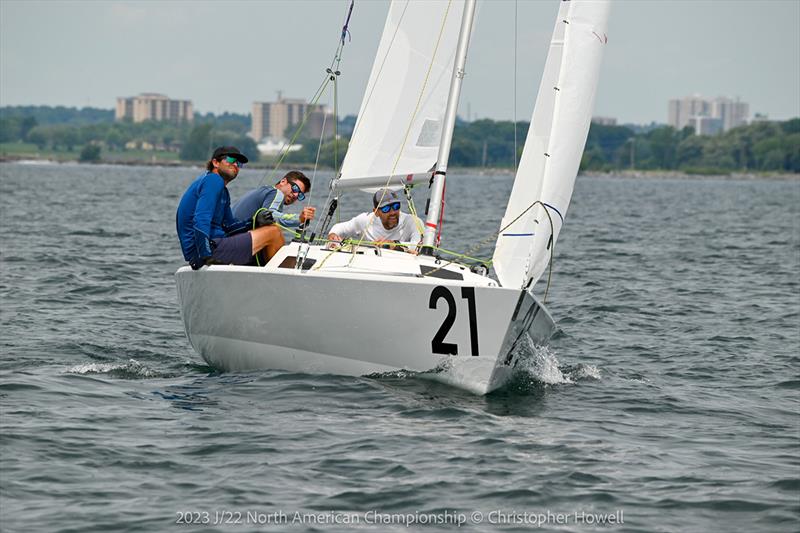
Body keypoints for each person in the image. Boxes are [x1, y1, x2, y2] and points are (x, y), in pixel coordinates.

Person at [176, 146, 284, 269]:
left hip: (214, 245)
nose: (236, 165)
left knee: (269, 230)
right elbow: (201, 219)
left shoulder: (223, 191)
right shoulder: (213, 180)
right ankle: (283, 282)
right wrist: (205, 255)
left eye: (239, 163)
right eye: (231, 160)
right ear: (215, 162)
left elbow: (229, 226)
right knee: (273, 232)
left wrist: (254, 221)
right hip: (206, 250)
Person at [327, 188, 422, 252]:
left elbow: (419, 245)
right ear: (376, 212)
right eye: (386, 209)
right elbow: (339, 228)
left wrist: (394, 245)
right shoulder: (365, 220)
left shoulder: (412, 222)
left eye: (396, 206)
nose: (392, 212)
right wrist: (333, 235)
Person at [232, 171, 316, 230]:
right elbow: (270, 217)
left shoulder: (263, 190)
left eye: (300, 195)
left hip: (228, 236)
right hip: (233, 241)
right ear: (283, 181)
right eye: (295, 188)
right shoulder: (277, 193)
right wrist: (299, 218)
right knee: (274, 231)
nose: (295, 195)